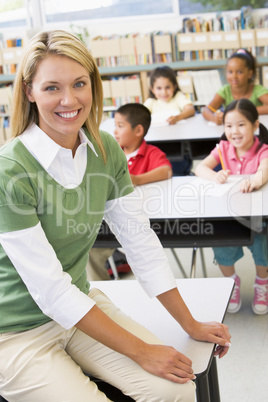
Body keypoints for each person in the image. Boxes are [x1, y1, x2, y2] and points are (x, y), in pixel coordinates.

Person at [0, 30, 231, 402]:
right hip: (14, 333)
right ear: (29, 91)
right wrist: (142, 351)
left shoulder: (106, 150)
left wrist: (189, 324)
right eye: (51, 88)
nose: (69, 100)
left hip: (79, 309)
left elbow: (140, 242)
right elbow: (51, 291)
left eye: (79, 83)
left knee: (176, 390)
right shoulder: (9, 170)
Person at [195, 98, 268, 315]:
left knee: (263, 247)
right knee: (221, 243)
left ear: (255, 125)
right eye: (228, 126)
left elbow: (264, 170)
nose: (234, 131)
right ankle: (231, 282)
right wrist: (215, 174)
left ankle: (262, 283)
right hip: (227, 214)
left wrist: (255, 181)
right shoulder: (224, 148)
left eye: (241, 125)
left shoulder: (263, 150)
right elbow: (200, 168)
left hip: (257, 217)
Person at [87, 103, 172, 281]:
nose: (115, 131)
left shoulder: (150, 153)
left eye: (120, 126)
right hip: (110, 224)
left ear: (138, 130)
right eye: (115, 126)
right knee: (90, 249)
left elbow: (166, 171)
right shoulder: (110, 152)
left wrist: (137, 179)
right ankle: (103, 294)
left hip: (141, 224)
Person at [144, 66, 195, 175]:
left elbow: (190, 109)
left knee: (177, 169)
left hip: (178, 144)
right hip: (158, 144)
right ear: (152, 89)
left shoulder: (177, 97)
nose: (164, 92)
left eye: (168, 87)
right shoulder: (151, 102)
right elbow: (142, 114)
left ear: (174, 86)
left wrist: (177, 118)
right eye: (159, 88)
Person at [202, 48, 268, 125]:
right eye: (230, 72)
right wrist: (214, 119)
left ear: (249, 74)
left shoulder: (257, 90)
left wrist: (244, 111)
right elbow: (206, 110)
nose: (234, 76)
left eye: (240, 72)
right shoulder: (225, 91)